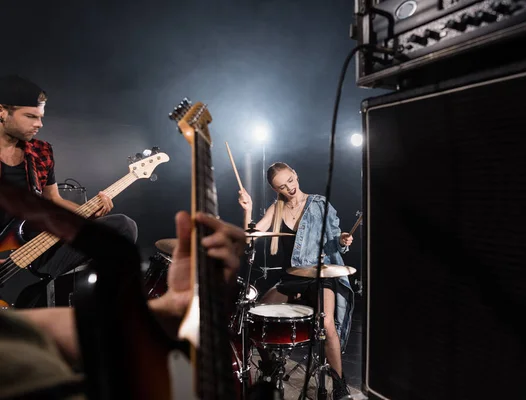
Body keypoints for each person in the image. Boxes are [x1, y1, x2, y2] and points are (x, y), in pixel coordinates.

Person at [0, 208, 247, 399]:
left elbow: (22, 332)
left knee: (120, 226)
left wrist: (168, 310)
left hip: (30, 244)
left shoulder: (38, 155)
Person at [0, 74, 137, 306]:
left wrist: (87, 212)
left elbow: (53, 199)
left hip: (37, 248)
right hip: (6, 251)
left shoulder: (41, 151)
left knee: (122, 227)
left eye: (41, 117)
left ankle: (97, 309)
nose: (39, 124)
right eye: (30, 116)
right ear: (2, 112)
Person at [238, 161, 354, 399]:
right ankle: (271, 367)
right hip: (291, 278)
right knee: (257, 315)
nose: (289, 188)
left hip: (320, 278)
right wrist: (247, 210)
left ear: (295, 175)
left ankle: (339, 383)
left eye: (290, 180)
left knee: (327, 324)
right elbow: (250, 238)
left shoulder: (319, 204)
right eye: (282, 186)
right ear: (276, 190)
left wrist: (342, 239)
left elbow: (335, 240)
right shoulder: (276, 209)